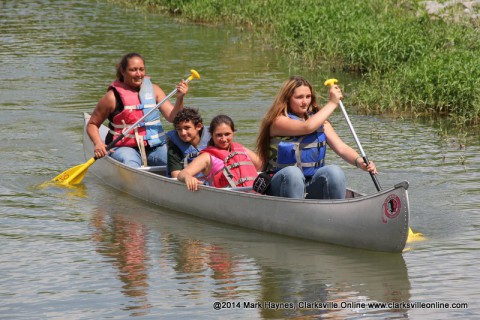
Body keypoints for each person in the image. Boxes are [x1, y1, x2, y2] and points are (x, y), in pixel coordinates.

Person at [255, 76, 377, 199]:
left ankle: (333, 214)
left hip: (309, 183)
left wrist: (360, 162)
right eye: (299, 97)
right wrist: (333, 103)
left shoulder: (320, 123)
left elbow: (341, 148)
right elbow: (307, 127)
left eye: (308, 97)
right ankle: (295, 214)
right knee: (293, 173)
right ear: (287, 99)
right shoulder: (278, 121)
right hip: (281, 184)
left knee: (334, 171)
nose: (305, 102)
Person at [86, 52, 189, 168]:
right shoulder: (112, 97)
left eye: (142, 69)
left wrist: (180, 98)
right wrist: (98, 143)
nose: (139, 74)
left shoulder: (155, 90)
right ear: (122, 71)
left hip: (154, 146)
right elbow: (92, 124)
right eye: (133, 70)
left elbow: (173, 117)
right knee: (131, 164)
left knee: (176, 163)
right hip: (123, 147)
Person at [178, 115, 262, 191]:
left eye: (227, 134)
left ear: (233, 133)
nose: (224, 139)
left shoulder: (241, 150)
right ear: (211, 135)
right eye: (219, 135)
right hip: (227, 197)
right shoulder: (207, 157)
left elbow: (261, 165)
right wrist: (188, 178)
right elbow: (182, 174)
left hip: (252, 193)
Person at [166, 107, 210, 178]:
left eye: (187, 128)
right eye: (179, 129)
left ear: (198, 126)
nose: (183, 133)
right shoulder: (174, 147)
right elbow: (175, 175)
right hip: (187, 182)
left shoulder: (213, 140)